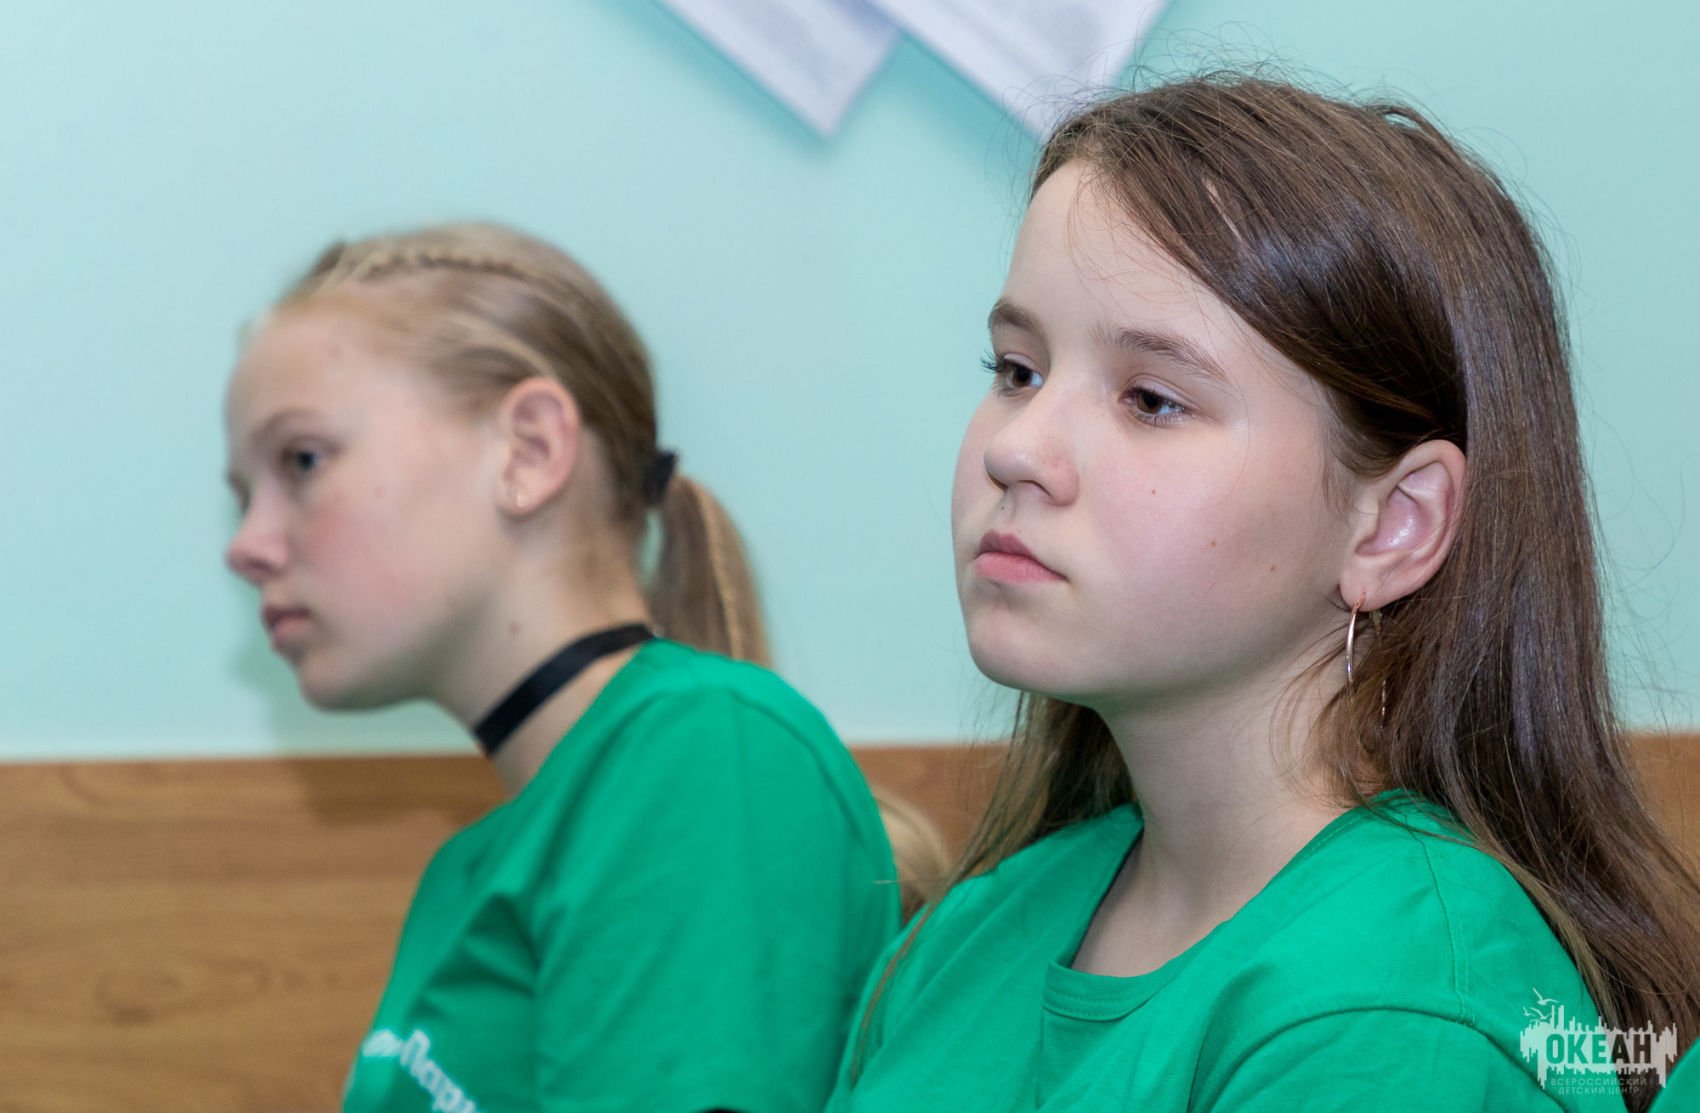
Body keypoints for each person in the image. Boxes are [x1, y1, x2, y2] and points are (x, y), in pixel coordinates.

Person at [829, 74, 1700, 1113]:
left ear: (1393, 524)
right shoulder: (979, 927)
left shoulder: (1391, 1015)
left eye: (1152, 399)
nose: (1015, 449)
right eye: (1017, 369)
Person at [221, 222, 900, 1112]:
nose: (246, 545)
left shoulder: (704, 751)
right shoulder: (469, 870)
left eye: (303, 460)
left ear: (530, 450)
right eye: (244, 495)